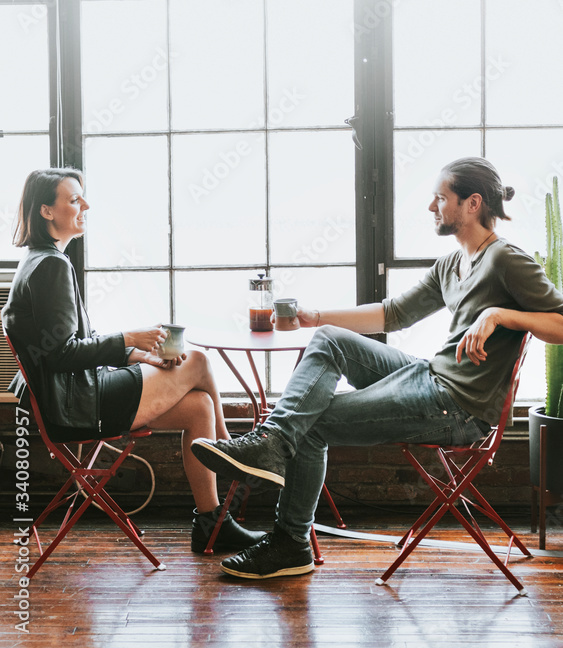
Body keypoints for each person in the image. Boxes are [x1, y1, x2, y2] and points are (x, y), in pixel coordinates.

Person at [191, 156, 563, 579]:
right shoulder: (451, 264)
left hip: (457, 406)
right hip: (431, 377)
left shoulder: (506, 261)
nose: (431, 208)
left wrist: (499, 314)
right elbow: (392, 315)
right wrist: (315, 315)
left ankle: (289, 542)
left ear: (472, 203)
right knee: (328, 339)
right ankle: (273, 442)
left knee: (310, 423)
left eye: (441, 198)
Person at [3, 168, 265, 554]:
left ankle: (212, 523)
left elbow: (71, 343)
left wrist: (135, 353)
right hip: (76, 406)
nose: (85, 205)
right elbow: (60, 354)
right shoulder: (52, 267)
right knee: (198, 362)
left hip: (70, 400)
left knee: (199, 407)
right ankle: (233, 452)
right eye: (74, 200)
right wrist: (128, 338)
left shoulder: (37, 261)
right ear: (46, 211)